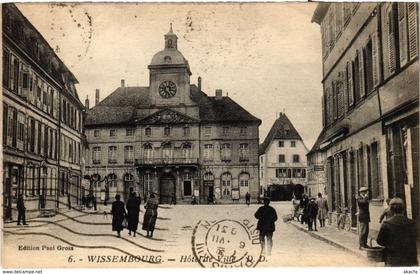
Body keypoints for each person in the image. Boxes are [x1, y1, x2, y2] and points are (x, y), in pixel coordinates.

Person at [377, 198, 418, 266]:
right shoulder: (413, 223)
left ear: (391, 210)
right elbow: (416, 238)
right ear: (403, 209)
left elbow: (380, 241)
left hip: (393, 260)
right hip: (410, 260)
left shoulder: (386, 224)